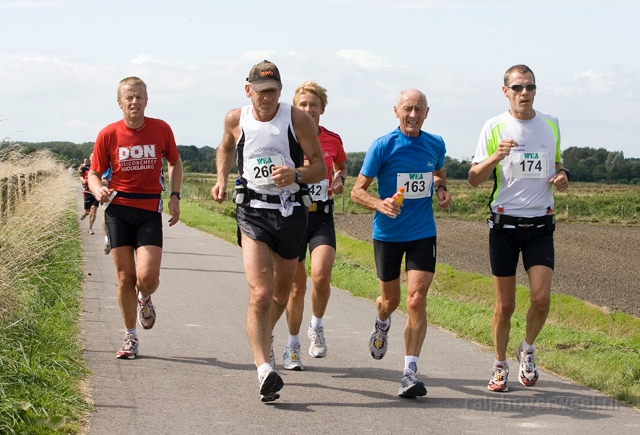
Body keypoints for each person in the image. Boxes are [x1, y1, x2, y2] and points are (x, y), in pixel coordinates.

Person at [211, 60, 325, 402]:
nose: (267, 98)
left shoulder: (296, 119)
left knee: (281, 294)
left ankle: (265, 337)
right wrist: (220, 178)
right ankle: (264, 369)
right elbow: (226, 147)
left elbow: (319, 166)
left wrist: (297, 175)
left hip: (290, 214)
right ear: (249, 90)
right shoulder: (236, 118)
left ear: (280, 89)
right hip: (252, 212)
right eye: (260, 92)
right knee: (260, 293)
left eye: (273, 91)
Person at [468, 64, 569, 392]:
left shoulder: (550, 123)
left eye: (529, 87)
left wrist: (562, 177)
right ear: (506, 91)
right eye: (517, 88)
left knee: (541, 298)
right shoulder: (494, 126)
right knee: (505, 305)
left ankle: (527, 347)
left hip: (540, 223)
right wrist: (495, 157)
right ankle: (499, 364)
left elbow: (557, 165)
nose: (524, 93)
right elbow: (473, 178)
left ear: (535, 90)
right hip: (504, 225)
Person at [351, 89, 451, 398]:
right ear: (396, 111)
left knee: (416, 299)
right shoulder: (382, 146)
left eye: (418, 109)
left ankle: (409, 372)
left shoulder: (436, 144)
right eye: (407, 108)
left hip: (422, 231)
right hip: (388, 234)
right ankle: (382, 322)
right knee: (390, 302)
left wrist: (442, 189)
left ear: (426, 112)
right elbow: (357, 191)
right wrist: (379, 204)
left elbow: (437, 173)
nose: (412, 114)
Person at [87, 76, 183, 360]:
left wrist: (175, 196)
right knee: (124, 278)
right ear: (120, 103)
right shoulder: (108, 134)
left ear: (146, 101)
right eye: (129, 97)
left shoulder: (161, 129)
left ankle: (145, 298)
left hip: (149, 209)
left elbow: (175, 162)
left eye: (139, 96)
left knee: (147, 277)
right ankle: (130, 336)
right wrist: (97, 189)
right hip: (118, 210)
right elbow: (94, 173)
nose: (134, 102)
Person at [282, 81, 348, 371]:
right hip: (293, 214)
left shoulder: (332, 139)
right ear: (295, 108)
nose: (308, 109)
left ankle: (316, 326)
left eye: (313, 104)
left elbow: (342, 167)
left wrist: (340, 179)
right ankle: (293, 344)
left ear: (322, 108)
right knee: (296, 287)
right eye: (303, 104)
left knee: (321, 276)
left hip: (321, 215)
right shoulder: (284, 137)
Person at [79, 156, 98, 234]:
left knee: (94, 209)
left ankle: (90, 227)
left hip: (96, 191)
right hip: (87, 191)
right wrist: (83, 180)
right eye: (92, 158)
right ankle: (83, 214)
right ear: (90, 159)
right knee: (87, 211)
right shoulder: (85, 167)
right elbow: (80, 176)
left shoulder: (99, 167)